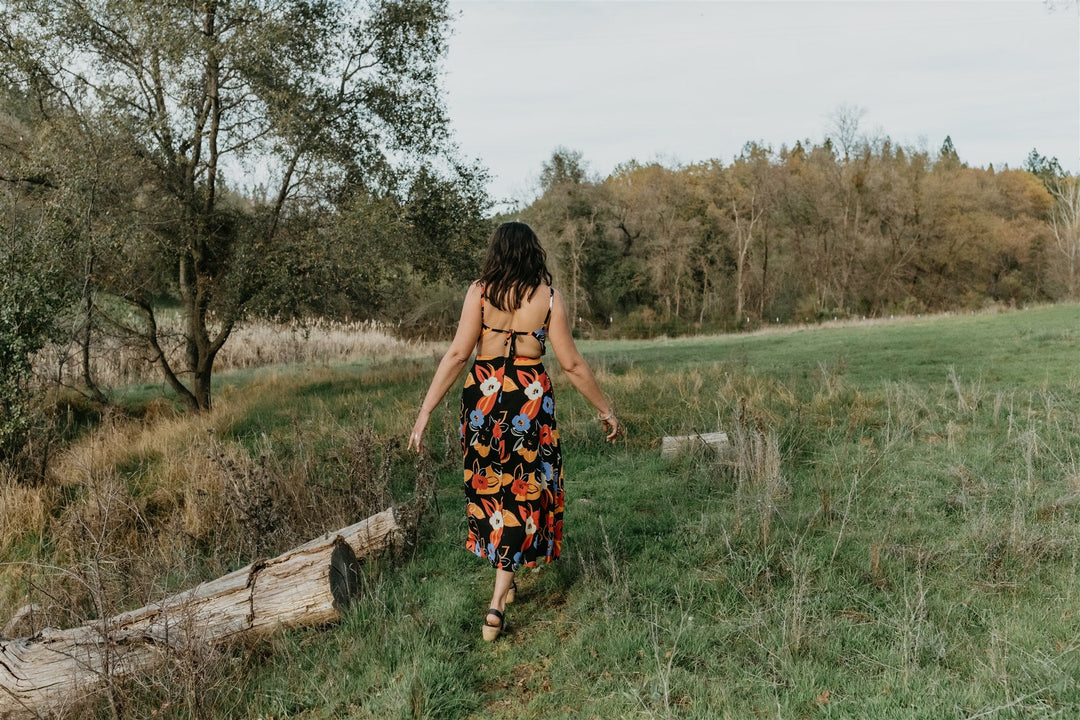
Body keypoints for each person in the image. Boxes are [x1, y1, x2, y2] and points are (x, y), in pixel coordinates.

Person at [408, 221, 619, 642]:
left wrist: (425, 410)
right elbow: (573, 364)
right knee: (524, 490)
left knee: (492, 491)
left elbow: (456, 354)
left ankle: (503, 584)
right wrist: (605, 408)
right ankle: (497, 601)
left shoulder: (480, 292)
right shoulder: (550, 298)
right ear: (532, 252)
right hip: (529, 398)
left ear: (497, 252)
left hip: (484, 401)